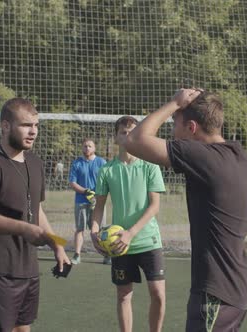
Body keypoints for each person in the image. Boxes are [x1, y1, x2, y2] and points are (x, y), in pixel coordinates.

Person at [125, 89, 247, 331]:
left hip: (216, 293)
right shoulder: (239, 155)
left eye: (176, 125)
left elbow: (133, 141)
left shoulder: (202, 157)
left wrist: (174, 102)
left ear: (192, 128)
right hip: (236, 290)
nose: (173, 133)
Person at [0, 97, 71, 332]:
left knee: (23, 329)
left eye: (36, 125)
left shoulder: (35, 163)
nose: (33, 132)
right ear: (6, 126)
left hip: (28, 270)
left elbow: (37, 211)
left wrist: (57, 245)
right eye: (26, 125)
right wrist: (24, 228)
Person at [90, 116, 167, 332]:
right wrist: (94, 231)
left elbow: (154, 206)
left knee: (158, 294)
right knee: (124, 295)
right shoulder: (106, 170)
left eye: (133, 132)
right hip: (118, 244)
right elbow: (99, 207)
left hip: (148, 240)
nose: (128, 136)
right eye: (123, 132)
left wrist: (131, 233)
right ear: (116, 137)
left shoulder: (150, 165)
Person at [68, 139, 107, 264]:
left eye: (90, 146)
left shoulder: (101, 162)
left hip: (98, 203)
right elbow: (72, 183)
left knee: (100, 231)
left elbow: (106, 181)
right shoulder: (77, 163)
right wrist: (85, 192)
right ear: (82, 148)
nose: (87, 148)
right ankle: (77, 255)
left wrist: (98, 195)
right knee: (80, 229)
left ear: (94, 148)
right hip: (81, 202)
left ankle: (106, 255)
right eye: (85, 146)